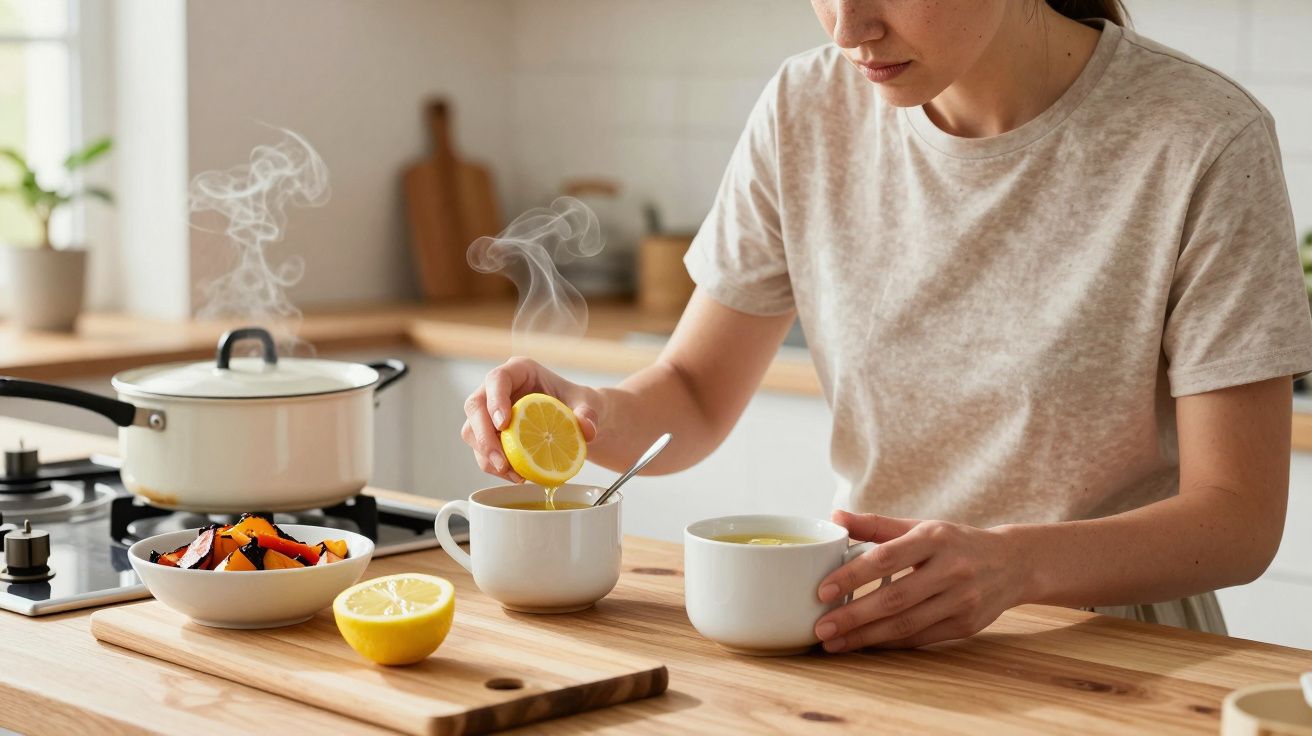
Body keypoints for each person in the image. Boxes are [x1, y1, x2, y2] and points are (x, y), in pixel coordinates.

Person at [461, 0, 1312, 651]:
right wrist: (587, 414)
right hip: (869, 633)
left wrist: (1017, 564)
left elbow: (1235, 519)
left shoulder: (1203, 137)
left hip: (1114, 654)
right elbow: (691, 392)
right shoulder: (806, 108)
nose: (847, 28)